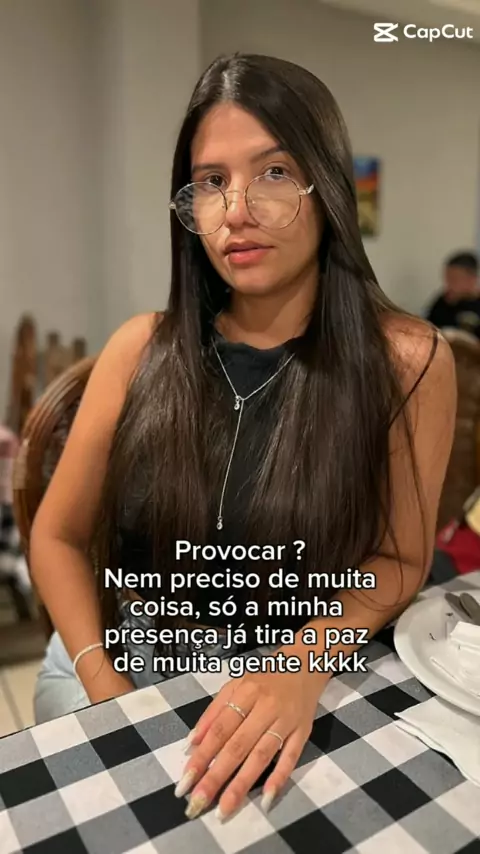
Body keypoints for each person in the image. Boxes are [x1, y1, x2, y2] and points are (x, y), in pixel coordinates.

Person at [30, 53, 456, 822]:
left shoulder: (408, 360)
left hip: (304, 656)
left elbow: (399, 559)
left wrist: (299, 662)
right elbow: (56, 536)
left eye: (275, 172)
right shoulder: (139, 349)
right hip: (121, 659)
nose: (236, 209)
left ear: (327, 185)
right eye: (211, 181)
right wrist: (104, 686)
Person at [426, 251, 480, 337]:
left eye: (454, 279)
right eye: (447, 278)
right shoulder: (442, 302)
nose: (448, 284)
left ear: (472, 279)